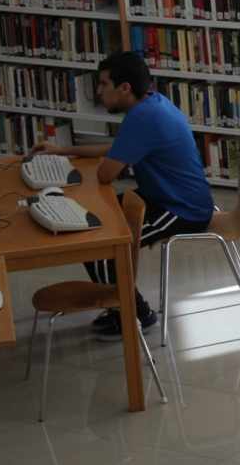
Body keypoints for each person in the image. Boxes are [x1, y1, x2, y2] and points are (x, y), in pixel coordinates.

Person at [29, 52, 214, 340]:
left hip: (181, 209)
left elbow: (105, 174)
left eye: (104, 84)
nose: (98, 91)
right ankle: (123, 304)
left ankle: (133, 313)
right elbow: (118, 149)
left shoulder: (142, 117)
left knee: (102, 244)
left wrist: (84, 168)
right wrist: (61, 151)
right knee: (93, 228)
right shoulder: (152, 104)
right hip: (164, 197)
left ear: (125, 87)